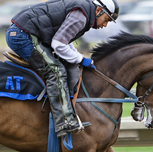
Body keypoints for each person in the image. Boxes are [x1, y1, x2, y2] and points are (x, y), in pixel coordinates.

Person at [5, 0, 119, 137]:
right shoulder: (81, 17)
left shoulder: (83, 13)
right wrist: (82, 59)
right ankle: (64, 122)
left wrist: (79, 57)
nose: (105, 25)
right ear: (98, 10)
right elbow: (58, 44)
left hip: (26, 33)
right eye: (106, 19)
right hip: (23, 36)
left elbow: (65, 41)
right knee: (56, 71)